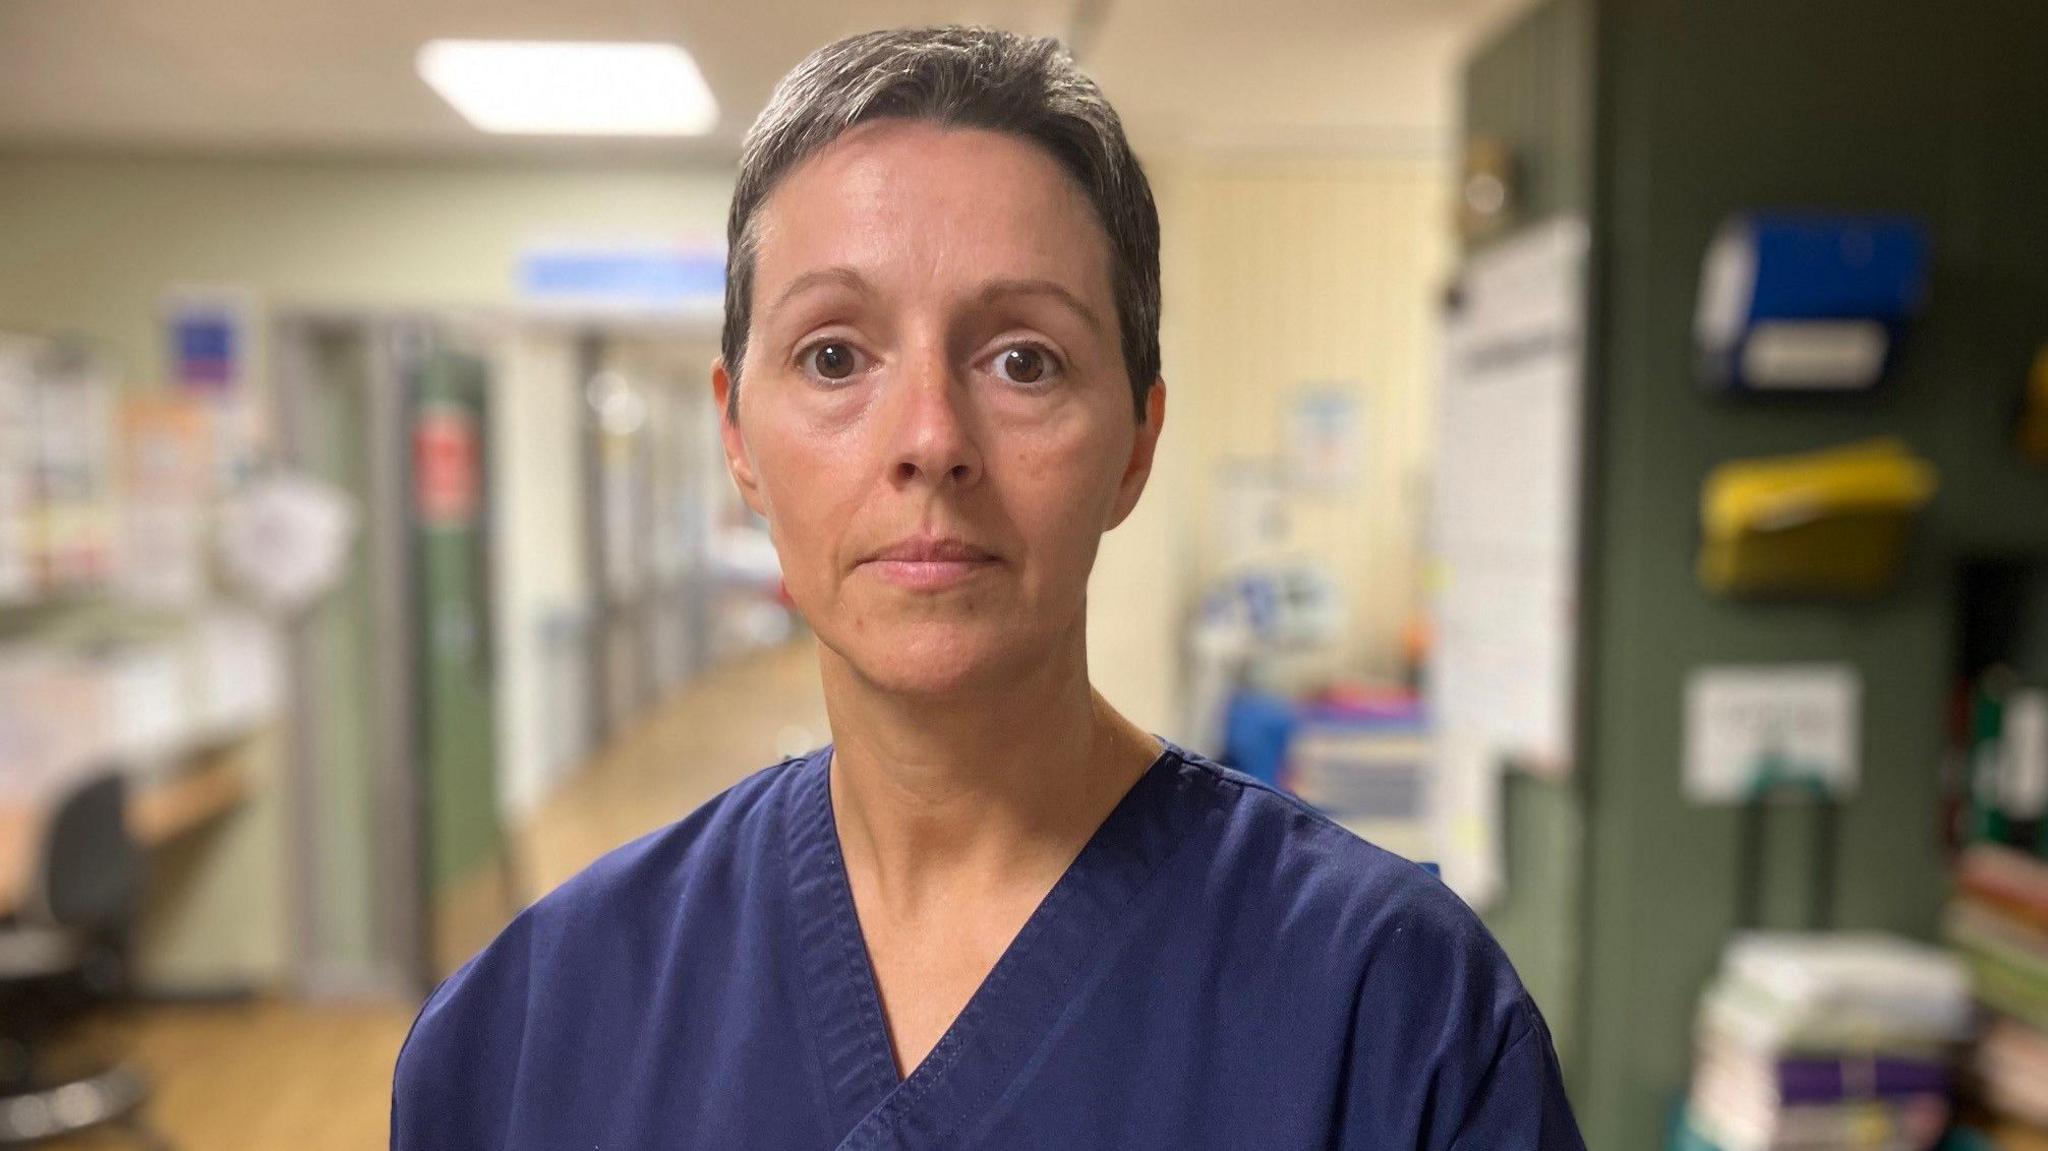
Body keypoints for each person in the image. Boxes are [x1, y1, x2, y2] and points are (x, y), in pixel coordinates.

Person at [391, 25, 1585, 1150]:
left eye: (1023, 359)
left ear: (1133, 444)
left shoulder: (1392, 1019)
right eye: (833, 355)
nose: (928, 438)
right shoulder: (533, 1028)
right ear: (738, 439)